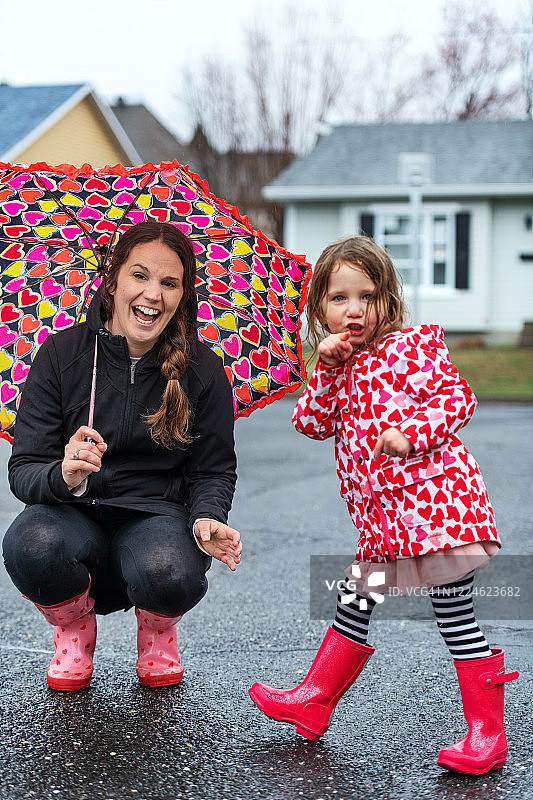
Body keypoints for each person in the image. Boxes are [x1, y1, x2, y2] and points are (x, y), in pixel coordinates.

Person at [249, 235, 519, 775]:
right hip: (386, 524)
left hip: (439, 515)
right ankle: (315, 700)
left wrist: (410, 433)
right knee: (355, 599)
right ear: (319, 309)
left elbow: (456, 398)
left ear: (387, 299)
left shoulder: (410, 349)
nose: (353, 310)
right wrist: (325, 369)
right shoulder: (338, 365)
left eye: (367, 296)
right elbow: (310, 423)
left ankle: (488, 734)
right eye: (338, 299)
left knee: (453, 614)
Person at [3, 221, 241, 692]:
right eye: (140, 276)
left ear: (181, 295)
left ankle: (157, 630)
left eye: (169, 283)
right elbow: (24, 470)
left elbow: (212, 469)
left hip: (156, 520)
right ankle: (73, 627)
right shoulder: (61, 355)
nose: (153, 295)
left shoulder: (203, 369)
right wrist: (64, 474)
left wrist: (207, 518)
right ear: (112, 280)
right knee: (30, 545)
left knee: (170, 572)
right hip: (71, 517)